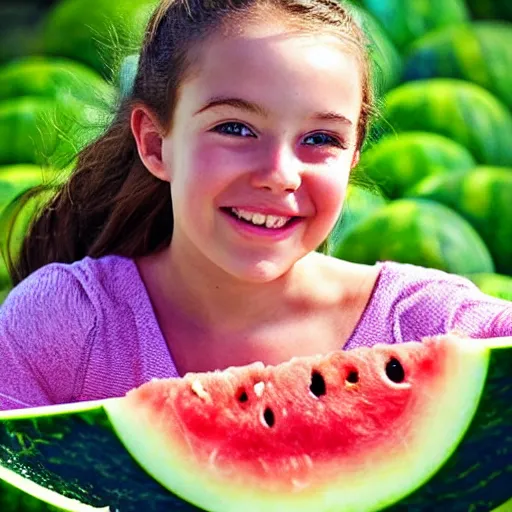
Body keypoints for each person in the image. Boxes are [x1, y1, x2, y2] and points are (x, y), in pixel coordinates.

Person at [0, 0, 510, 411]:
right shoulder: (61, 328)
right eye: (235, 128)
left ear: (353, 156)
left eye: (320, 138)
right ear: (156, 144)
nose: (279, 175)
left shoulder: (427, 323)